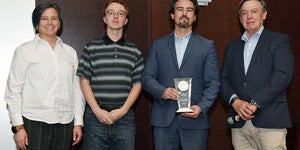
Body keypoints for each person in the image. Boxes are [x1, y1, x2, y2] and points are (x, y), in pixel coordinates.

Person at [4, 2, 85, 150]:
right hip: (34, 122)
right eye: (44, 18)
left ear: (59, 23)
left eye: (54, 18)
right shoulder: (24, 51)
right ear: (36, 24)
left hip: (65, 123)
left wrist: (78, 122)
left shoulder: (70, 52)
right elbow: (13, 91)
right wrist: (18, 127)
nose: (50, 22)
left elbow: (77, 90)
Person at [141, 0, 220, 149]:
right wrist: (162, 92)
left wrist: (201, 107)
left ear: (195, 16)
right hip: (164, 121)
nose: (184, 13)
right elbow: (147, 78)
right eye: (180, 9)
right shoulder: (158, 45)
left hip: (195, 122)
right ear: (172, 15)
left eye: (189, 10)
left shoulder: (207, 46)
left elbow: (213, 83)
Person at [221, 0, 294, 149]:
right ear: (240, 19)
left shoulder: (279, 41)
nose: (249, 16)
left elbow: (282, 76)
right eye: (244, 13)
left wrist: (254, 104)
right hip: (239, 123)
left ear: (264, 14)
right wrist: (235, 102)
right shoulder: (231, 47)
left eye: (254, 11)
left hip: (270, 122)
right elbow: (224, 80)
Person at [76, 0, 144, 149]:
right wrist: (96, 110)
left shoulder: (135, 51)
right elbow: (84, 81)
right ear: (104, 19)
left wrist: (124, 110)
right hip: (95, 117)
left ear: (125, 20)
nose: (115, 16)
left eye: (120, 13)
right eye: (111, 12)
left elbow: (137, 84)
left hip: (124, 118)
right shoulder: (91, 47)